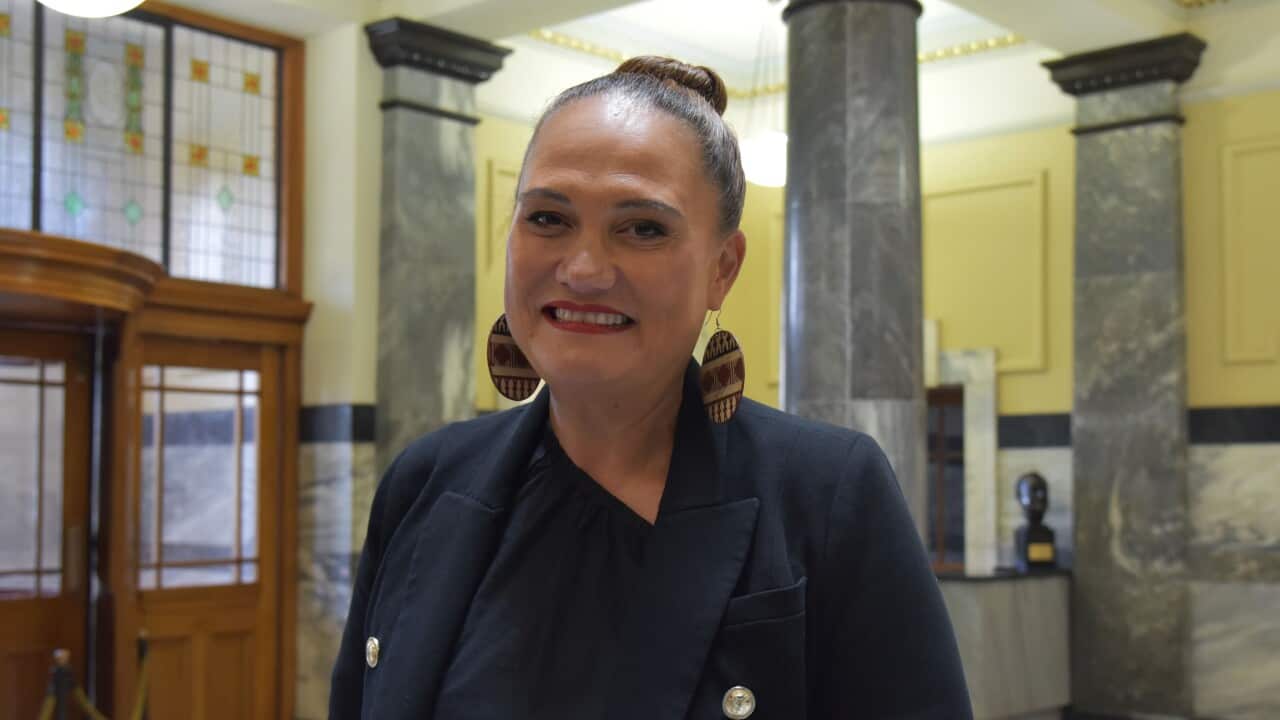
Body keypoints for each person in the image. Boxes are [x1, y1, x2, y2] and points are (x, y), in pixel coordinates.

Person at [329, 56, 971, 719]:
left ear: (723, 269)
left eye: (643, 228)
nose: (583, 269)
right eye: (548, 218)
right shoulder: (424, 484)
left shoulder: (829, 495)